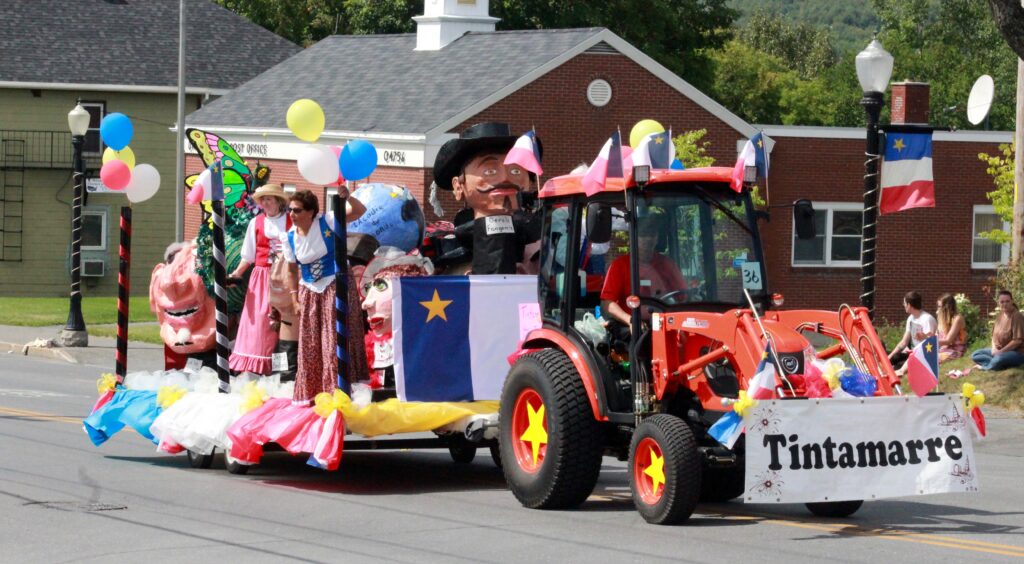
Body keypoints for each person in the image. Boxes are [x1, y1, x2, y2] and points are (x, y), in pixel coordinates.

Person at [280, 189, 369, 404]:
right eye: (289, 210)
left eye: (297, 210)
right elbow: (291, 270)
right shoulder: (289, 237)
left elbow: (359, 210)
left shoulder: (328, 221)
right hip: (310, 290)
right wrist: (294, 299)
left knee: (333, 339)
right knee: (311, 343)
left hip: (334, 284)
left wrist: (346, 196)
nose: (292, 214)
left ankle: (337, 392)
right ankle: (312, 392)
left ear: (311, 212)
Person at [432, 122, 541, 274]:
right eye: (490, 171)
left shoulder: (541, 245)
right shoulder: (448, 254)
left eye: (515, 171)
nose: (505, 178)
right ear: (458, 187)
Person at [227, 184, 291, 374]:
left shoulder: (291, 221)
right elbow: (248, 255)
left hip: (286, 276)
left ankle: (284, 367)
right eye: (262, 200)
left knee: (286, 321)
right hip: (262, 277)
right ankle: (258, 367)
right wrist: (237, 273)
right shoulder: (256, 222)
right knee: (261, 323)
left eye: (269, 199)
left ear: (278, 201)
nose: (265, 203)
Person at [600, 214, 686, 337]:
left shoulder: (667, 265)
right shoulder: (619, 266)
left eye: (652, 235)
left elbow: (683, 296)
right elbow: (608, 303)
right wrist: (631, 321)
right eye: (643, 235)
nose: (648, 239)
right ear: (634, 238)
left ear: (656, 238)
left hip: (666, 323)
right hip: (632, 327)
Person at [970, 290, 1024, 371]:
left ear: (1012, 301)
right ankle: (997, 364)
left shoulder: (1017, 316)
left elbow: (1017, 341)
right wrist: (994, 348)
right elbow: (993, 336)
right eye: (1002, 302)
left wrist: (1001, 352)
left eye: (1007, 301)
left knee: (999, 358)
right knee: (975, 354)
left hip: (1016, 353)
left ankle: (987, 367)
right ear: (998, 303)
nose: (1004, 304)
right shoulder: (1000, 315)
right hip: (999, 351)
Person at [887, 291, 936, 375]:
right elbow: (904, 342)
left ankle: (897, 370)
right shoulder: (911, 318)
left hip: (921, 355)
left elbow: (930, 343)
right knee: (890, 357)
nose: (903, 305)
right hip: (911, 352)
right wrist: (889, 356)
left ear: (909, 305)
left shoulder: (927, 319)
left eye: (904, 303)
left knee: (897, 366)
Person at [936, 293, 966, 363]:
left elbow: (948, 341)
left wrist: (931, 340)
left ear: (946, 308)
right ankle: (904, 372)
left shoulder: (957, 318)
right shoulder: (942, 319)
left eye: (939, 306)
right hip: (943, 350)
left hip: (955, 351)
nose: (938, 309)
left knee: (930, 359)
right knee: (919, 355)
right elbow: (937, 337)